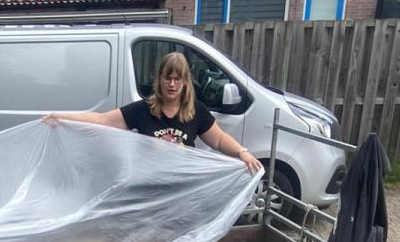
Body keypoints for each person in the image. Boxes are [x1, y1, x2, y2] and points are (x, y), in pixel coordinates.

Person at [43, 51, 264, 175]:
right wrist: (62, 118)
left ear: (185, 82)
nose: (172, 84)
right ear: (159, 79)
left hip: (184, 187)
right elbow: (103, 120)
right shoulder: (143, 109)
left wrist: (242, 153)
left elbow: (219, 139)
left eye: (177, 79)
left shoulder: (197, 111)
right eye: (168, 78)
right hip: (149, 187)